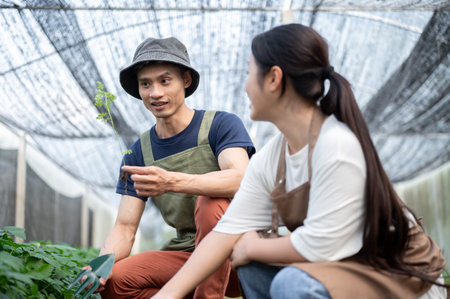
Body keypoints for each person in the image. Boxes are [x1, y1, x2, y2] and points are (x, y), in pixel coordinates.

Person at [151, 24, 448, 299]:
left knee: (289, 282)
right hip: (342, 267)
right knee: (254, 267)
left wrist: (254, 245)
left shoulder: (336, 145)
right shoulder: (274, 156)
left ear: (273, 78)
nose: (244, 86)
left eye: (248, 73)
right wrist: (166, 296)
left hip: (396, 270)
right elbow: (225, 233)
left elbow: (320, 245)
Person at [94, 37, 255, 298]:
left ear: (186, 80)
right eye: (145, 83)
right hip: (186, 256)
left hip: (240, 252)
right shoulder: (138, 152)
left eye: (165, 81)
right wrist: (101, 265)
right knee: (117, 282)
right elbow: (125, 227)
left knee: (211, 201)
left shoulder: (220, 125)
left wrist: (171, 181)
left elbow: (241, 180)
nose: (155, 92)